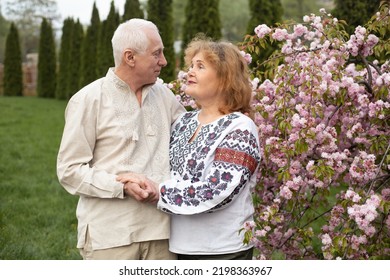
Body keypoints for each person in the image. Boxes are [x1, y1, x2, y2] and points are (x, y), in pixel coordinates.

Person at [117, 36, 261, 260]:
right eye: (191, 66)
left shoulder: (240, 128)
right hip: (180, 245)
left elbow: (220, 191)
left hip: (223, 249)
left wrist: (159, 193)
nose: (189, 72)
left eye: (200, 66)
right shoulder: (184, 122)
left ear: (225, 78)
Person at [56, 18, 186, 260]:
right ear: (130, 57)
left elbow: (191, 143)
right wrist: (121, 186)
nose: (164, 62)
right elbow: (69, 170)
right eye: (156, 54)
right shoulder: (88, 99)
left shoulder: (165, 96)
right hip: (110, 236)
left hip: (162, 233)